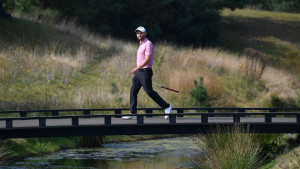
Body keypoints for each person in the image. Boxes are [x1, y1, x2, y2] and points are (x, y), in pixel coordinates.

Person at [122, 26, 172, 120]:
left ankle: (167, 107)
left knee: (149, 92)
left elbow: (148, 59)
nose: (139, 34)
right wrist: (138, 70)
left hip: (145, 72)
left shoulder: (148, 44)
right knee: (133, 91)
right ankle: (133, 113)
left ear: (145, 33)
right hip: (139, 73)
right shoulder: (141, 44)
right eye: (138, 33)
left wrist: (137, 68)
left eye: (141, 33)